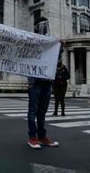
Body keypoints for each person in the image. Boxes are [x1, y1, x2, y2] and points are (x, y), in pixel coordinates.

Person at [26, 18, 59, 149]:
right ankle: (32, 138)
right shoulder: (30, 41)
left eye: (46, 25)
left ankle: (42, 137)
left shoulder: (51, 42)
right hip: (35, 82)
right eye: (42, 25)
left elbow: (57, 56)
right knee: (33, 111)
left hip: (47, 82)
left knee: (42, 112)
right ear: (36, 27)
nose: (45, 28)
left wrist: (60, 46)